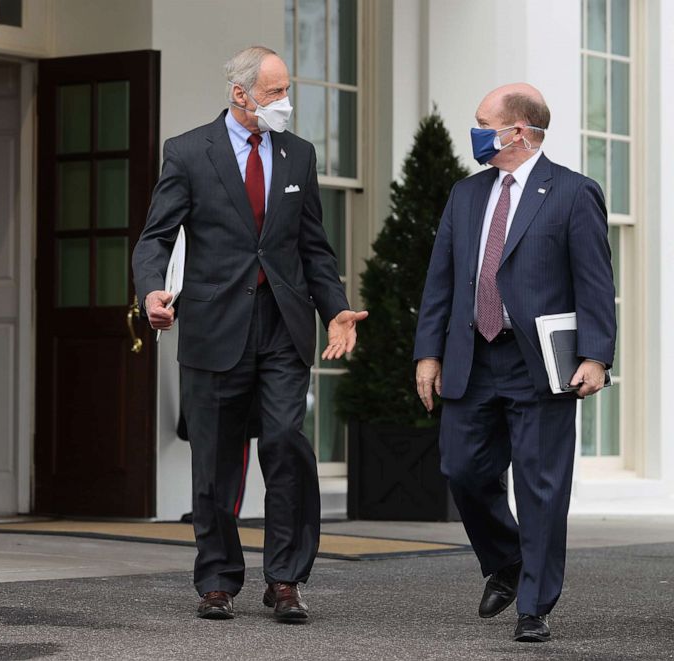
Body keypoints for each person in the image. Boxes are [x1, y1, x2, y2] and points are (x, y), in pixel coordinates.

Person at [131, 45, 366, 622]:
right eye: (276, 92)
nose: (286, 102)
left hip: (283, 328)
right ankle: (217, 579)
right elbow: (155, 237)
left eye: (287, 91)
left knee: (286, 444)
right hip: (214, 329)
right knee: (214, 461)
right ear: (241, 95)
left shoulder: (298, 155)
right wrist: (150, 292)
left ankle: (285, 579)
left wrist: (334, 307)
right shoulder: (187, 152)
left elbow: (313, 245)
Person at [413, 83, 616, 643]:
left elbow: (596, 281)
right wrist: (427, 352)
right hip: (471, 357)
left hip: (540, 365)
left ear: (518, 131)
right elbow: (442, 281)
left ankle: (534, 605)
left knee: (541, 487)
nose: (475, 130)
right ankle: (506, 561)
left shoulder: (573, 193)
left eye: (484, 122)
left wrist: (596, 356)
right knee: (461, 468)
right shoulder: (466, 194)